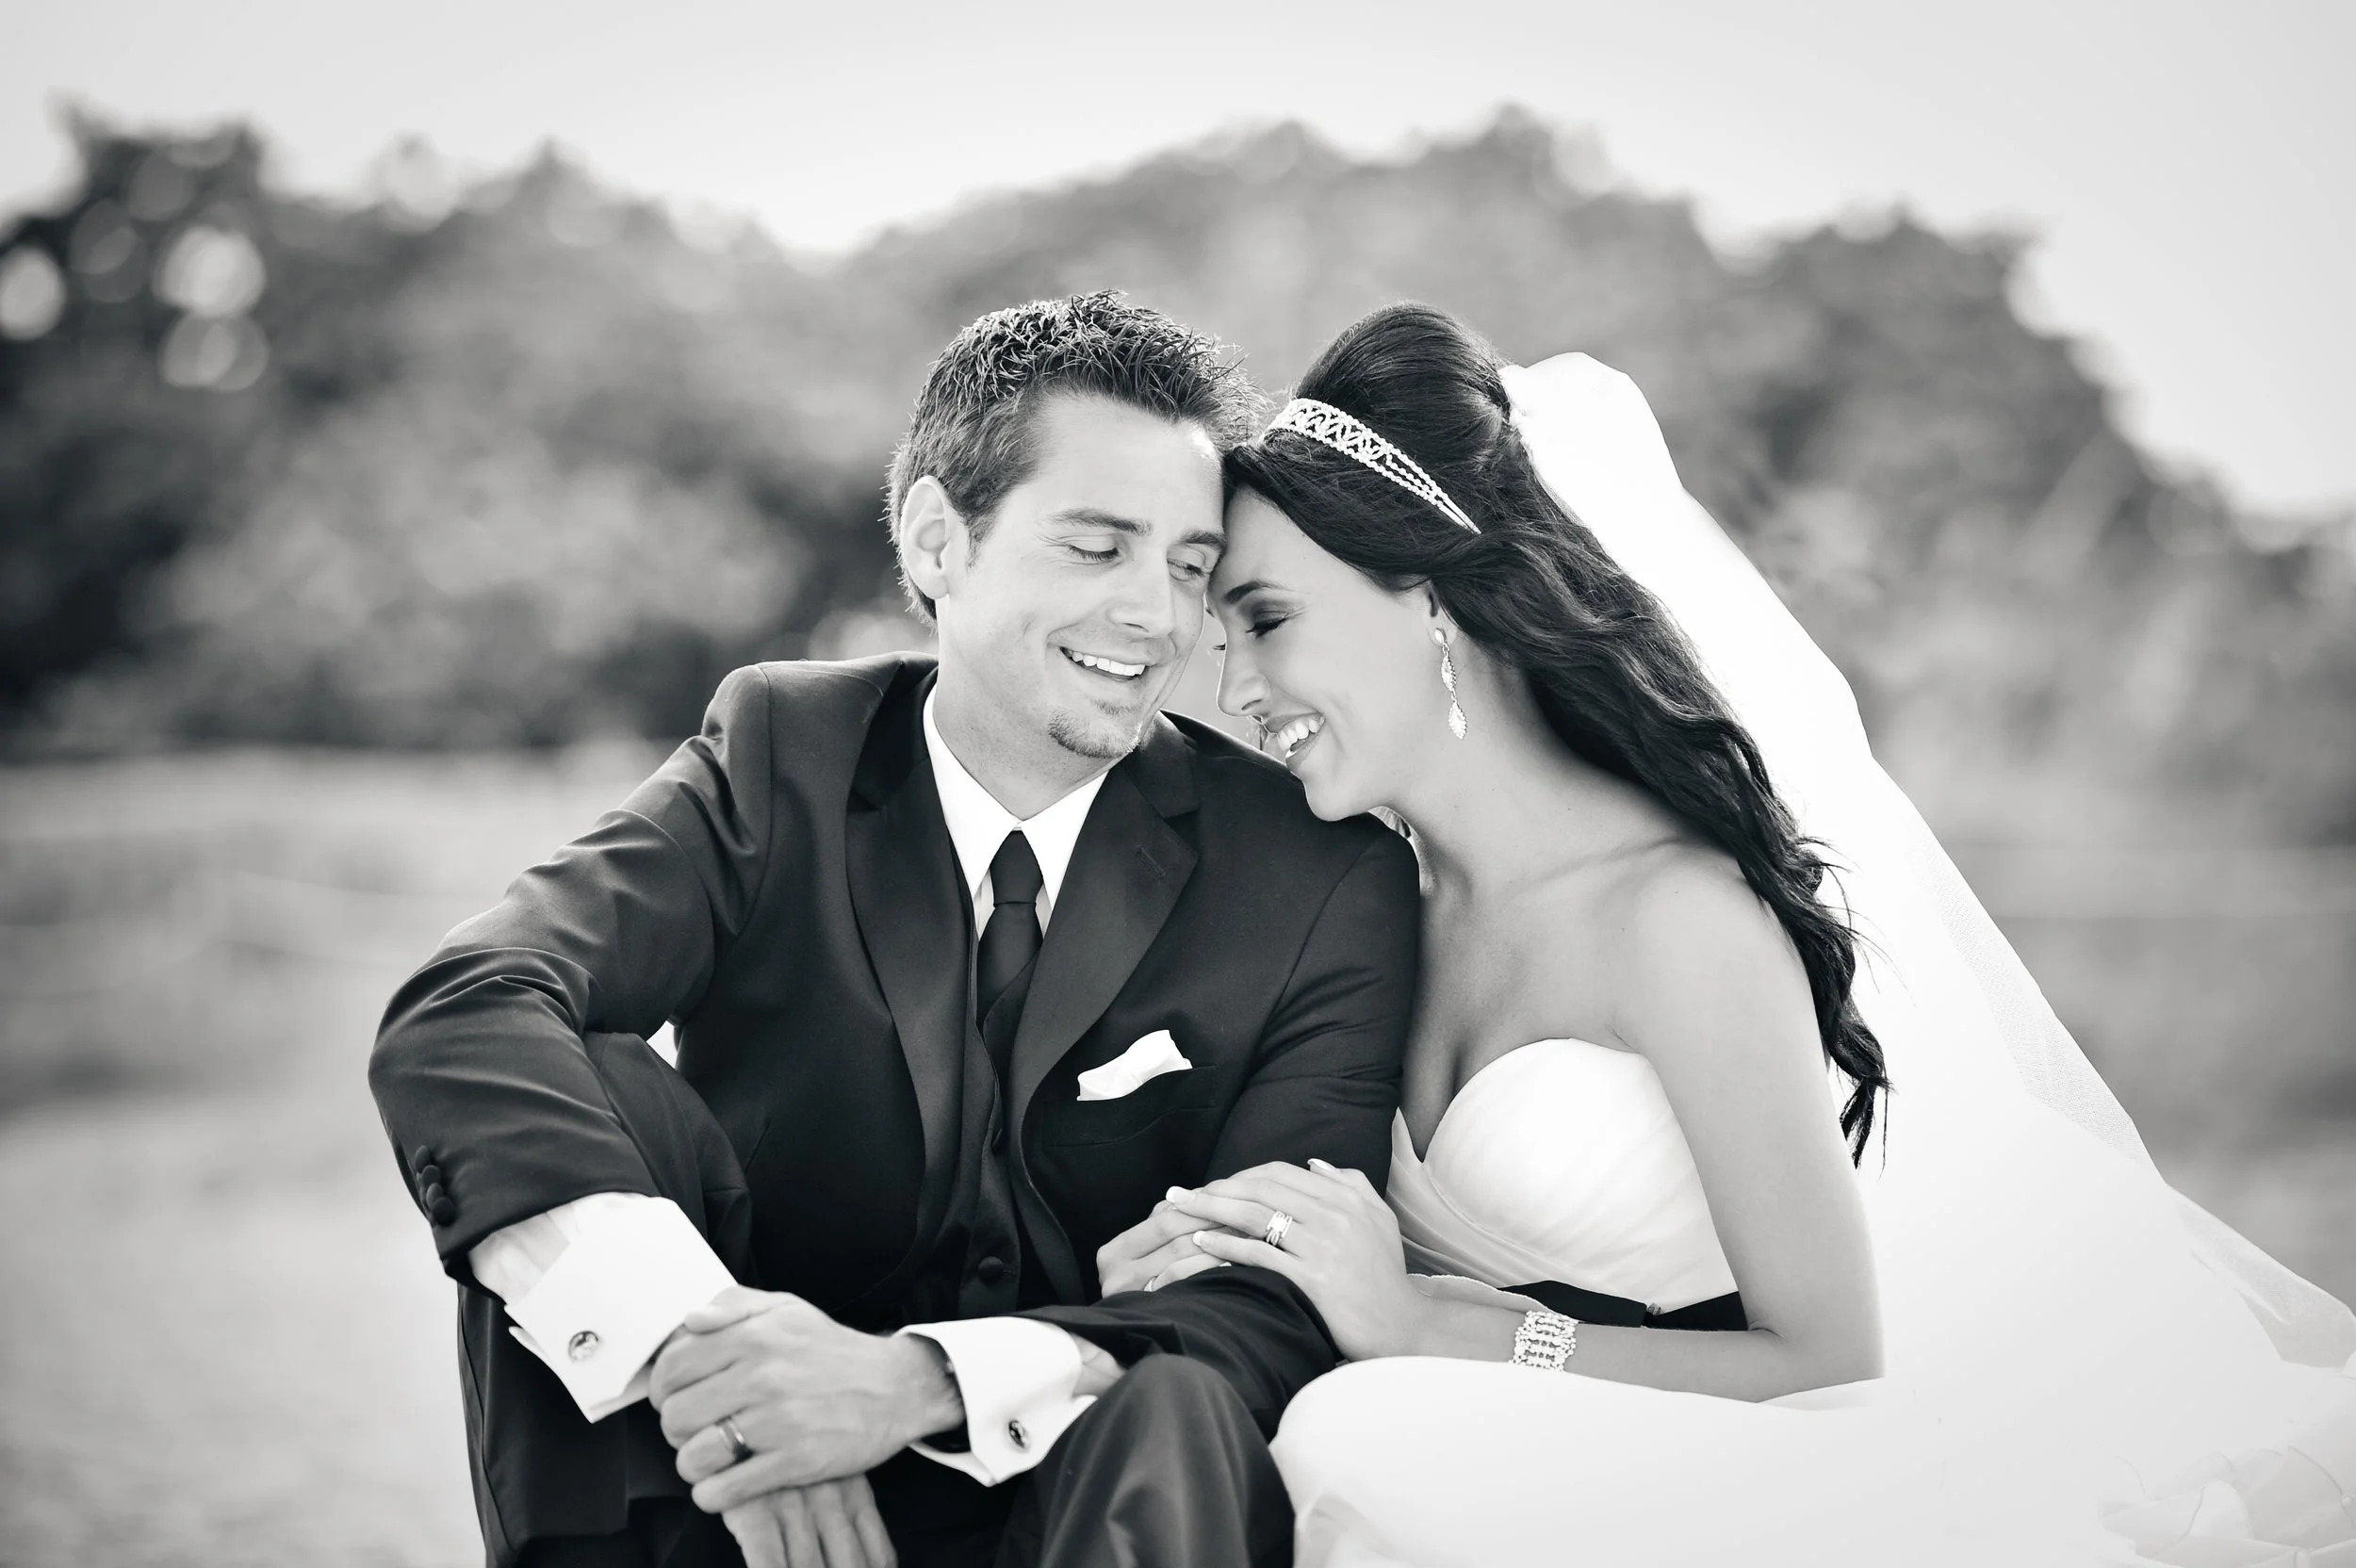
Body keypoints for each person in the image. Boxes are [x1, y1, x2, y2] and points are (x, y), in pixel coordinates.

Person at [1153, 302, 2356, 1565]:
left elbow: (1828, 1357)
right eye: (1225, 641)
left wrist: (1441, 1333)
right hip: (1508, 1465)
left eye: (1269, 621)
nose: (1236, 691)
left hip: (1726, 1476)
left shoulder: (1673, 917)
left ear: (1437, 596)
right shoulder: (1361, 908)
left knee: (1369, 1445)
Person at [368, 292, 1422, 1568]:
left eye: (1190, 566)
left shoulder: (1320, 874)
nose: (1159, 617)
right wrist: (711, 1371)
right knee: (581, 1092)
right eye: (1097, 548)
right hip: (728, 1520)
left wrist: (920, 1382)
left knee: (1185, 1399)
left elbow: (1275, 1307)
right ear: (937, 541)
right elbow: (466, 1006)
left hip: (1079, 1497)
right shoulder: (780, 753)